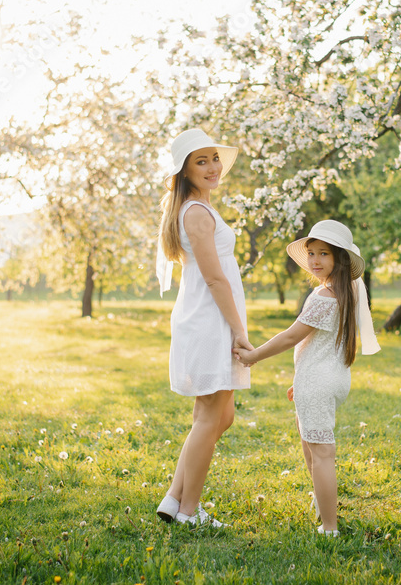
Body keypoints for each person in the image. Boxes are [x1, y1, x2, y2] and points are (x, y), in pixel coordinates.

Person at [234, 220, 380, 536]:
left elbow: (290, 337)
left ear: (340, 258)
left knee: (321, 452)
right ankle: (322, 502)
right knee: (311, 444)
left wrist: (253, 355)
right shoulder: (345, 293)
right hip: (330, 376)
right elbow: (322, 345)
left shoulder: (324, 297)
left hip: (319, 380)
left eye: (323, 254)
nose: (314, 260)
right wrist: (300, 382)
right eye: (311, 253)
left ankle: (329, 526)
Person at [154, 128, 253, 528]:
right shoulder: (195, 212)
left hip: (209, 316)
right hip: (209, 319)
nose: (213, 167)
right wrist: (239, 331)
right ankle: (189, 512)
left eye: (214, 158)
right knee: (211, 415)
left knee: (219, 414)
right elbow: (214, 279)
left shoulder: (199, 208)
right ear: (185, 171)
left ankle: (174, 497)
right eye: (202, 161)